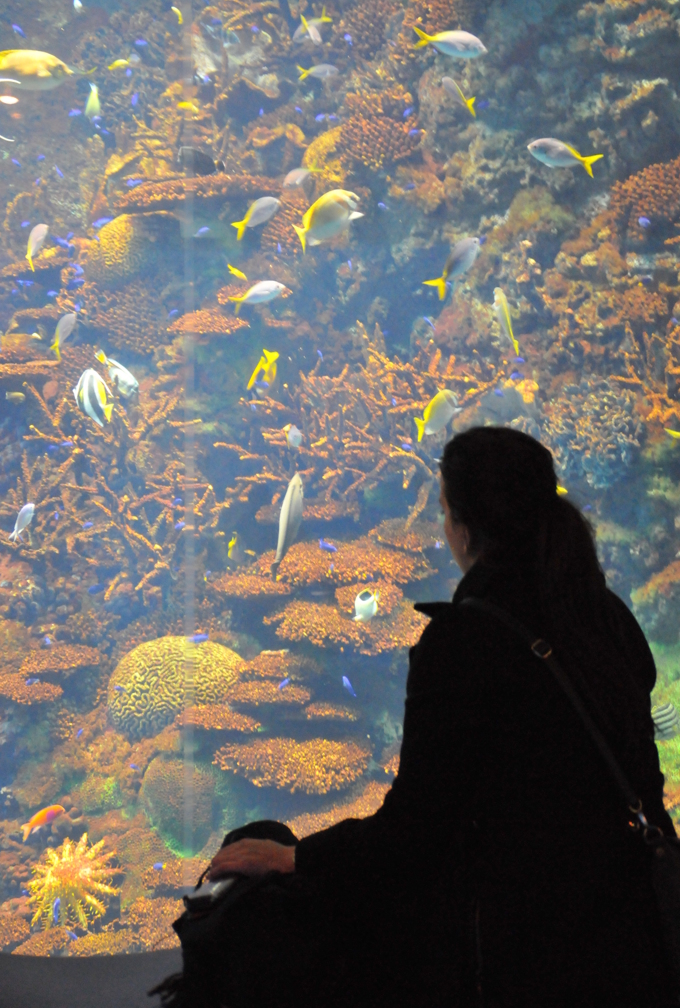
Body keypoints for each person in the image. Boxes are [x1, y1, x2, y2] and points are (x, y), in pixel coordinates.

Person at [208, 426, 677, 1007]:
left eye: (444, 510)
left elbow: (418, 827)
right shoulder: (604, 613)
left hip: (537, 950)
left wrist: (296, 857)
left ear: (461, 527)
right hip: (637, 928)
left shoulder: (462, 643)